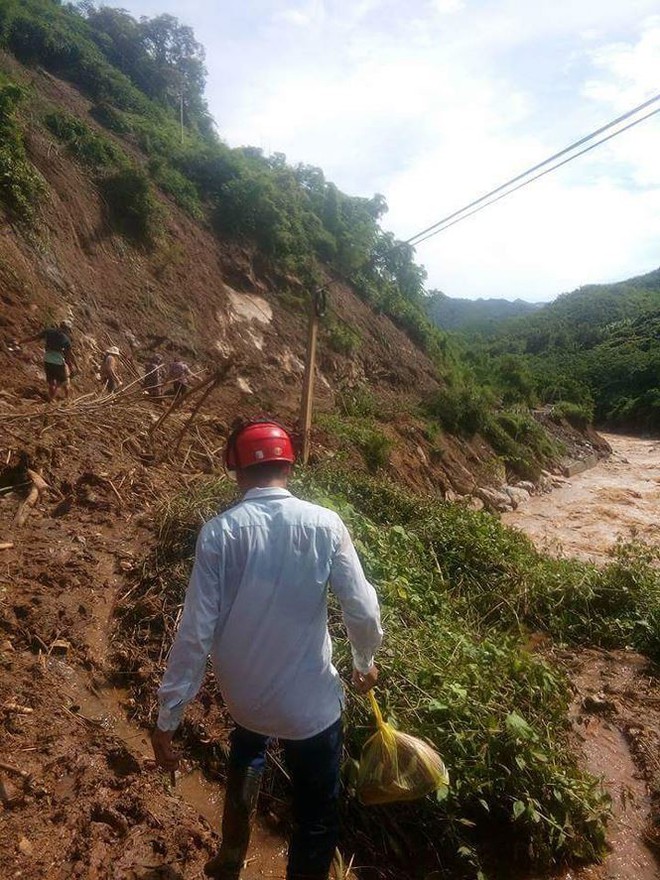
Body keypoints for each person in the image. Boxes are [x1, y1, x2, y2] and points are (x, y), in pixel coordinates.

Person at [151, 419, 383, 880]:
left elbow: (195, 632)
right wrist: (364, 661)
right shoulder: (325, 524)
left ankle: (231, 857)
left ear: (236, 471)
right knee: (317, 813)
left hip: (246, 700)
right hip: (309, 707)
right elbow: (363, 609)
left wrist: (168, 717)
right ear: (289, 468)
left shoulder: (218, 533)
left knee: (248, 746)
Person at [16, 320, 78, 401]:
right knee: (62, 383)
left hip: (47, 360)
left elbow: (34, 337)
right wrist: (71, 368)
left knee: (51, 383)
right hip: (58, 362)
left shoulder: (49, 331)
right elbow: (68, 356)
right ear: (67, 329)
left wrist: (20, 341)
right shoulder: (66, 339)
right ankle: (53, 399)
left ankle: (51, 398)